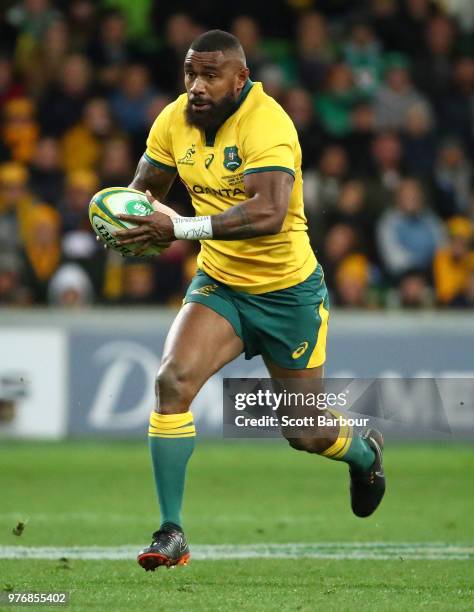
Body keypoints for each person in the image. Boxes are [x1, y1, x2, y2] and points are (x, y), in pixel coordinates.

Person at [114, 30, 385, 571]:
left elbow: (269, 214)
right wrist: (125, 216)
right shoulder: (173, 120)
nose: (196, 86)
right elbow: (145, 193)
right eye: (190, 73)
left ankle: (365, 454)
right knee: (172, 381)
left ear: (241, 78)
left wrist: (180, 227)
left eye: (210, 75)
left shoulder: (268, 123)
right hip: (222, 286)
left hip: (288, 294)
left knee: (305, 432)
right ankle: (172, 531)